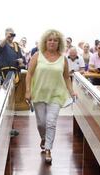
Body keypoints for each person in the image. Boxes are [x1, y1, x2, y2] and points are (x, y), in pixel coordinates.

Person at [25, 29, 76, 164]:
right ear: (45, 42)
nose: (52, 42)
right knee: (41, 123)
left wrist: (71, 92)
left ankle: (48, 149)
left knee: (51, 122)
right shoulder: (37, 55)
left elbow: (66, 77)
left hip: (56, 95)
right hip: (39, 93)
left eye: (55, 40)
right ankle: (44, 138)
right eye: (50, 40)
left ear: (59, 42)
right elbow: (29, 74)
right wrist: (28, 91)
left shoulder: (63, 59)